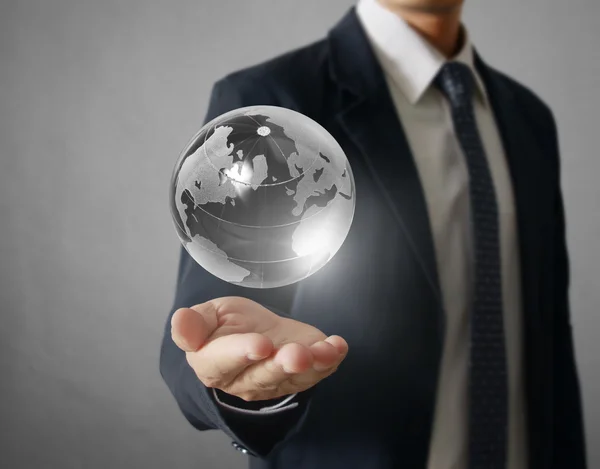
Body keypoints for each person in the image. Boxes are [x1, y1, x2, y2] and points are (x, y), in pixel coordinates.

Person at [159, 0, 588, 468]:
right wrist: (245, 388)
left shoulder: (528, 118)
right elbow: (210, 321)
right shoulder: (270, 98)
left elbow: (547, 341)